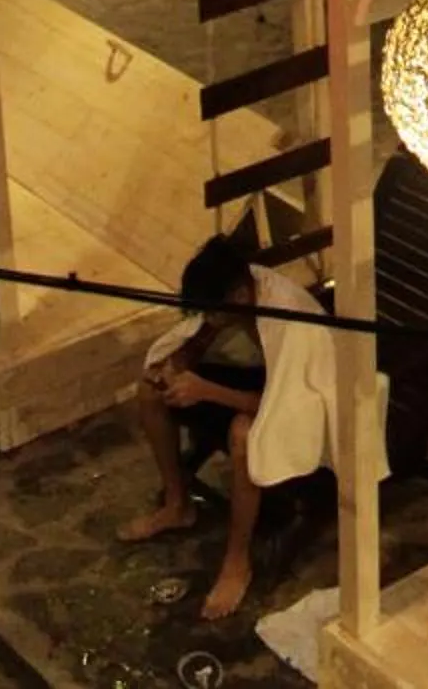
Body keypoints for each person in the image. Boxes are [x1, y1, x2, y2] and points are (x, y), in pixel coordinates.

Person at [119, 233, 269, 621]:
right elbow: (200, 333)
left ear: (238, 295)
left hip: (284, 397)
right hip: (245, 382)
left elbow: (287, 404)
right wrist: (177, 365)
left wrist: (206, 391)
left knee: (244, 436)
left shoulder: (284, 314)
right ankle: (177, 504)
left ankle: (238, 560)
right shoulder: (229, 302)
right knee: (149, 390)